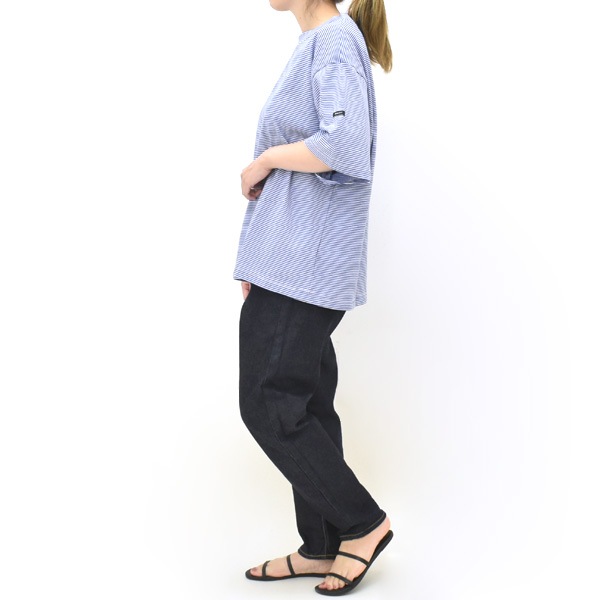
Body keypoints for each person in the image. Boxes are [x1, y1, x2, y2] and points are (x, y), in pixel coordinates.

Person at [234, 0, 393, 595]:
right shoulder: (321, 42)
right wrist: (257, 256)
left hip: (304, 263)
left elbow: (342, 144)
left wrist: (264, 161)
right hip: (289, 261)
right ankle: (322, 545)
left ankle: (363, 524)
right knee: (308, 404)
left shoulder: (333, 41)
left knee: (268, 401)